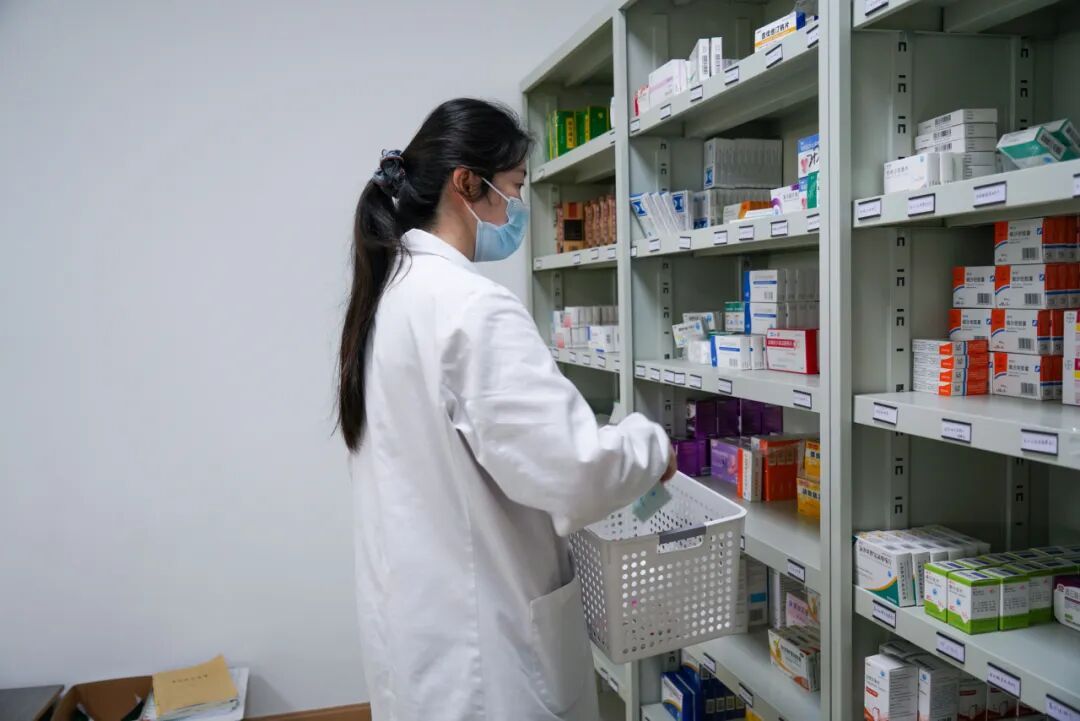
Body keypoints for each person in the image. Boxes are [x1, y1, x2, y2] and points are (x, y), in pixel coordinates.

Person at [338, 98, 675, 721]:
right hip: (484, 658)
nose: (517, 209)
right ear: (467, 183)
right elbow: (574, 472)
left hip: (421, 636)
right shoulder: (469, 306)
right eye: (515, 187)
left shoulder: (391, 295)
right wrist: (649, 445)